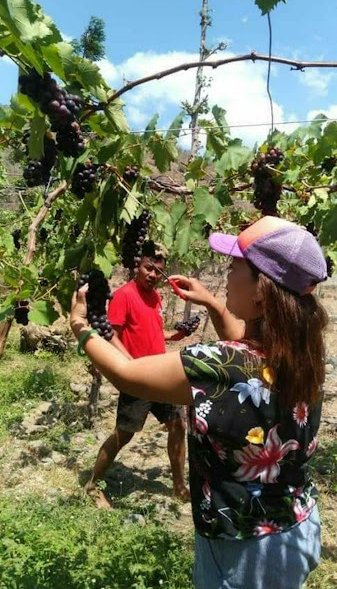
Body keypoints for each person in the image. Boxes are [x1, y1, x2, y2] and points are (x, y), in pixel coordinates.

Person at [71, 216, 328, 589]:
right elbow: (242, 340)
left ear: (261, 291)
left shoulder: (216, 366)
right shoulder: (303, 351)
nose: (226, 273)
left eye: (234, 265)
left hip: (242, 549)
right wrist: (210, 302)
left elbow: (126, 373)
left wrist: (80, 325)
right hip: (297, 528)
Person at [85, 241, 190, 508]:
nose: (153, 275)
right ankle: (92, 484)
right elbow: (112, 335)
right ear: (138, 266)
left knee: (178, 425)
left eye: (158, 271)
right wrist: (130, 364)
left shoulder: (156, 297)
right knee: (124, 434)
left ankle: (179, 487)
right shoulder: (123, 295)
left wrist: (175, 335)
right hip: (139, 378)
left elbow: (154, 332)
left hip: (161, 375)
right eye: (148, 268)